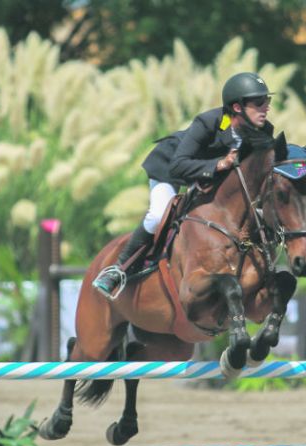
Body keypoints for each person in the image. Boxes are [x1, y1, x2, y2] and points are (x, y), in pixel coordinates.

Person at [92, 72, 276, 299]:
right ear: (237, 107)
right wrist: (219, 164)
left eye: (267, 100)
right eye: (259, 102)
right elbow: (178, 166)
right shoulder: (209, 122)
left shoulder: (264, 131)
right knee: (158, 215)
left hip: (208, 177)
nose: (266, 107)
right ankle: (118, 269)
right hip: (172, 167)